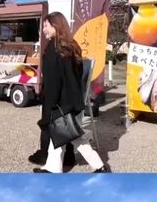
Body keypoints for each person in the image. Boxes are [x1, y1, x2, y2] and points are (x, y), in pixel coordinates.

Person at [33, 12, 109, 174]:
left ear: (55, 26)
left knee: (73, 137)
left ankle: (99, 166)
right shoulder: (71, 45)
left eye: (46, 26)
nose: (44, 30)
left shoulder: (53, 49)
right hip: (72, 99)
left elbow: (53, 82)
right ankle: (52, 168)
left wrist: (50, 105)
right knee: (61, 134)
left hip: (60, 102)